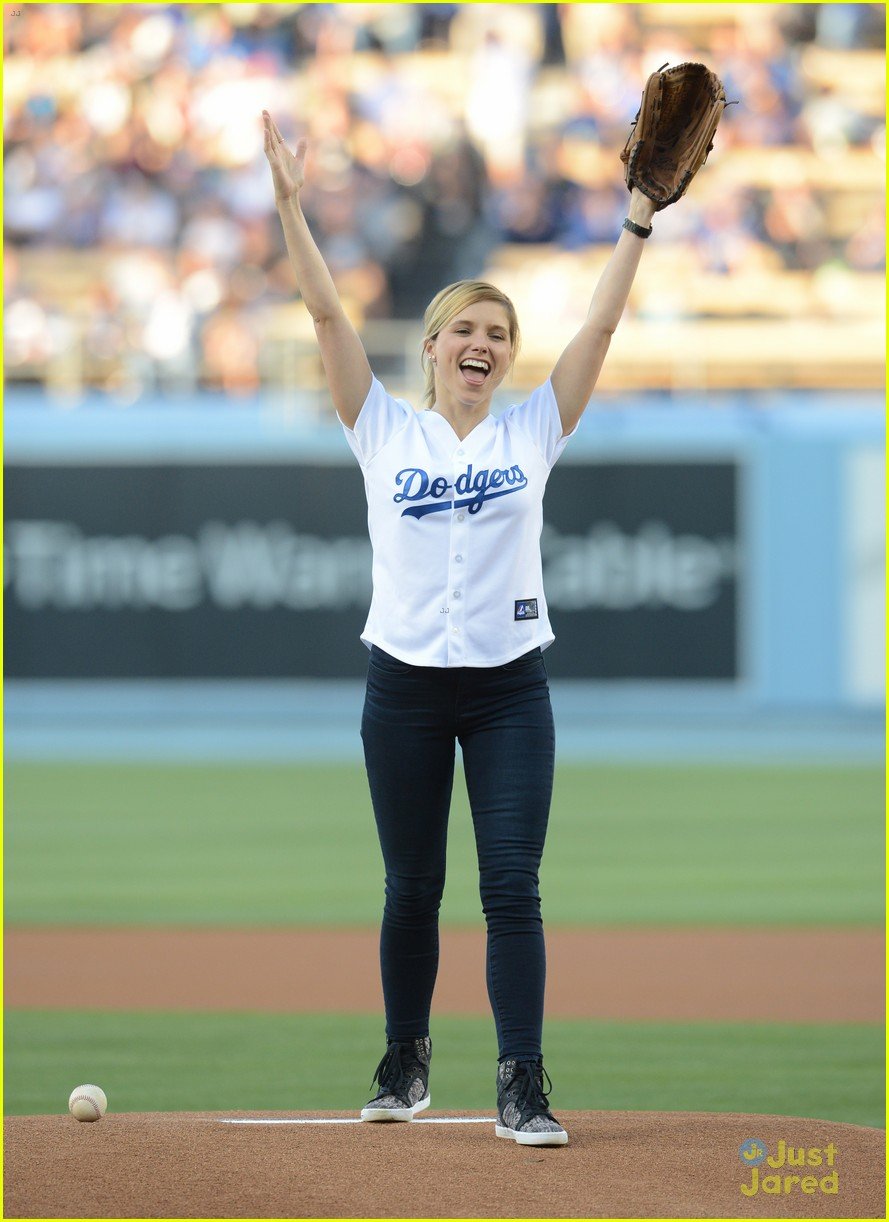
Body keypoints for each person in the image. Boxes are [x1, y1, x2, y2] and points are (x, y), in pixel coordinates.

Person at [263, 108, 657, 1147]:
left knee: (510, 885)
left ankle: (521, 1081)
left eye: (498, 333)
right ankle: (405, 1057)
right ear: (431, 346)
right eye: (465, 329)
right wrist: (293, 205)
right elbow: (320, 311)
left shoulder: (533, 428)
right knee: (410, 887)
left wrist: (637, 222)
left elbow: (601, 330)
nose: (481, 343)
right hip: (400, 682)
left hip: (507, 686)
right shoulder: (380, 427)